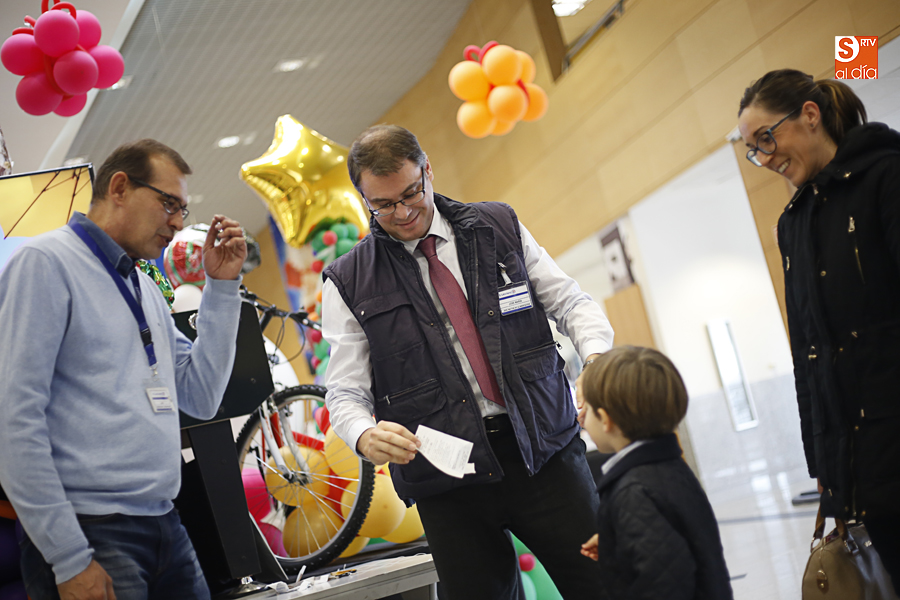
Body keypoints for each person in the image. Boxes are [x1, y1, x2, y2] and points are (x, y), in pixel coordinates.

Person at [322, 125, 614, 599]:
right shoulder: (349, 280)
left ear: (428, 170)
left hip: (545, 450)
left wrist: (597, 358)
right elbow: (345, 390)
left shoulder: (497, 227)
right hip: (448, 481)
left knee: (605, 585)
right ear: (364, 199)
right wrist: (362, 433)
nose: (402, 212)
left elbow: (571, 303)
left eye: (411, 193)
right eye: (383, 204)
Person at [0, 139, 248, 600]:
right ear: (119, 187)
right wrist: (69, 556)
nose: (177, 222)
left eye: (183, 209)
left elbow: (199, 396)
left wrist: (222, 287)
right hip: (90, 532)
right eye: (168, 203)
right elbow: (14, 423)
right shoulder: (46, 265)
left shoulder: (142, 286)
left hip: (164, 524)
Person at [737, 68, 900, 591]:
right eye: (752, 149)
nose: (765, 157)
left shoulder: (886, 176)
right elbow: (808, 351)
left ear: (809, 115)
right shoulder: (793, 221)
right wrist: (823, 464)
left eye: (767, 138)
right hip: (860, 466)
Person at [577, 346, 733, 600]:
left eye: (588, 410)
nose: (582, 418)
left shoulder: (633, 492)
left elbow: (661, 585)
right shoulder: (668, 467)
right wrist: (615, 540)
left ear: (605, 419)